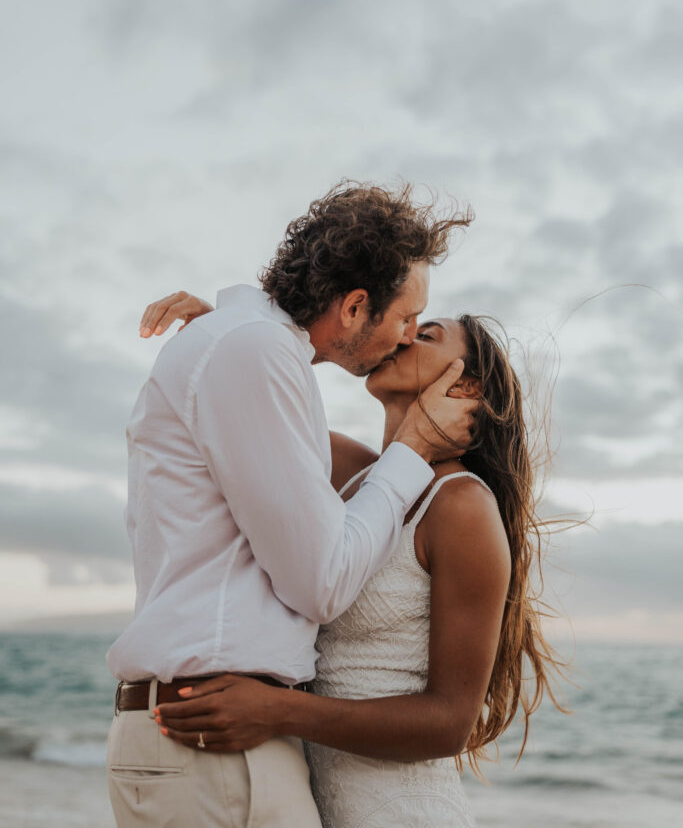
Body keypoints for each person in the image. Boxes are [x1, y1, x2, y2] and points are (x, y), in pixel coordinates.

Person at [106, 182, 478, 828]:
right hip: (216, 748)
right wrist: (415, 441)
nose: (407, 334)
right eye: (407, 317)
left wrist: (225, 338)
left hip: (240, 750)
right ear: (356, 305)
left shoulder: (258, 359)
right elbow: (323, 583)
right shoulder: (255, 353)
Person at [151, 313, 566, 827]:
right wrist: (226, 331)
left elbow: (449, 724)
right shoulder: (352, 474)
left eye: (428, 335)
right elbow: (259, 406)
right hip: (308, 805)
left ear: (465, 384)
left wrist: (276, 711)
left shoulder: (461, 506)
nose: (404, 335)